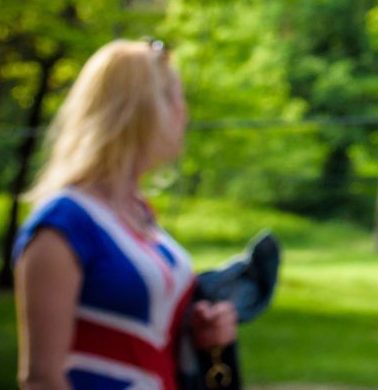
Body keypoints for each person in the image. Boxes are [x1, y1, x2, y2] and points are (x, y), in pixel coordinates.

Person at [14, 39, 239, 390]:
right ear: (145, 111)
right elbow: (41, 378)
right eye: (177, 98)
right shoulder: (63, 222)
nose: (185, 113)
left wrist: (203, 332)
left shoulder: (139, 213)